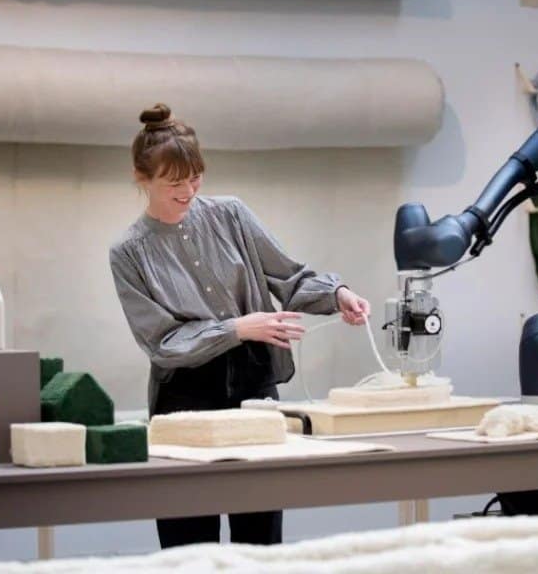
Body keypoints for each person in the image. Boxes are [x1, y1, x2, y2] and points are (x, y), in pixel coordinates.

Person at [109, 103, 371, 548]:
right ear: (142, 178)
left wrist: (338, 294)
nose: (188, 191)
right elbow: (162, 343)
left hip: (253, 388)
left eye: (196, 177)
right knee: (189, 542)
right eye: (174, 182)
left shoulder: (231, 214)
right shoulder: (129, 253)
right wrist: (237, 328)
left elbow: (289, 277)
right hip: (183, 398)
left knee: (260, 535)